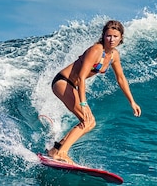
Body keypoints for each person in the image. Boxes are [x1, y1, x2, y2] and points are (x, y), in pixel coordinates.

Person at [49, 20, 141, 163]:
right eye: (108, 36)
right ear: (103, 36)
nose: (111, 39)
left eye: (115, 36)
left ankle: (55, 150)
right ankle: (61, 153)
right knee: (87, 120)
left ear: (121, 37)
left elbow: (121, 79)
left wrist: (132, 102)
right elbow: (82, 76)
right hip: (63, 82)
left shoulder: (114, 55)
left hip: (72, 85)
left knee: (90, 123)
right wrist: (83, 102)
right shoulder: (96, 50)